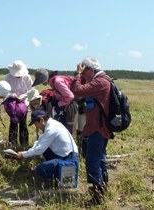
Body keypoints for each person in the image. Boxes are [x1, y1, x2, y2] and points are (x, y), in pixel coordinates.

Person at [71, 57, 112, 207]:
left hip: (98, 128)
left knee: (92, 161)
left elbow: (77, 90)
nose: (82, 76)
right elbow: (82, 88)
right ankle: (102, 190)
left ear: (90, 70)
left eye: (83, 72)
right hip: (99, 128)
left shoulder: (100, 82)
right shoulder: (101, 80)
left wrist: (76, 73)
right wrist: (81, 76)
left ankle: (97, 197)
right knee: (99, 159)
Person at [16, 110, 79, 184]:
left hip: (68, 159)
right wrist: (26, 153)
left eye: (36, 124)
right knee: (45, 149)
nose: (36, 127)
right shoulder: (51, 124)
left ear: (41, 120)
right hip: (64, 154)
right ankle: (54, 172)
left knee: (40, 169)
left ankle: (56, 175)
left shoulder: (51, 129)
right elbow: (39, 142)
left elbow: (39, 149)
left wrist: (23, 155)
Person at [32, 69, 78, 136]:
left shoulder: (57, 82)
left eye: (41, 81)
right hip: (66, 105)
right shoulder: (53, 81)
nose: (41, 83)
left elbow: (70, 96)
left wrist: (59, 104)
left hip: (70, 106)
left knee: (68, 130)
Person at [4, 60, 33, 148]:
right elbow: (4, 91)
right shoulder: (8, 78)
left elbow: (31, 90)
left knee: (23, 123)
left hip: (23, 103)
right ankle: (12, 144)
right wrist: (12, 95)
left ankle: (24, 144)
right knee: (13, 122)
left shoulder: (27, 77)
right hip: (12, 103)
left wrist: (23, 96)